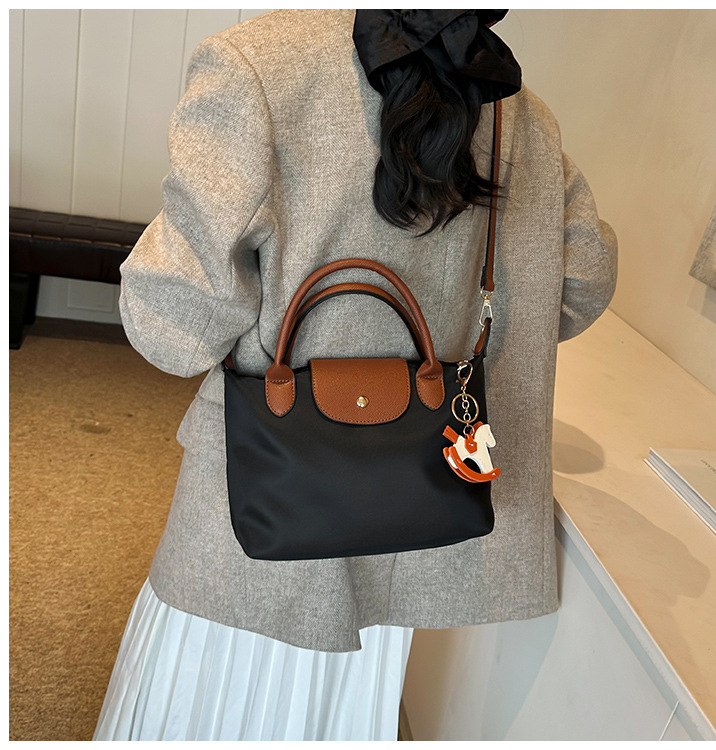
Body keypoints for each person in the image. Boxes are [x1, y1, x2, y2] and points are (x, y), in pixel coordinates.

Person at [94, 9, 617, 742]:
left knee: (208, 701)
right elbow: (583, 283)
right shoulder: (517, 112)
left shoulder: (255, 65)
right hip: (417, 502)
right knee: (342, 711)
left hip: (265, 501)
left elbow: (173, 326)